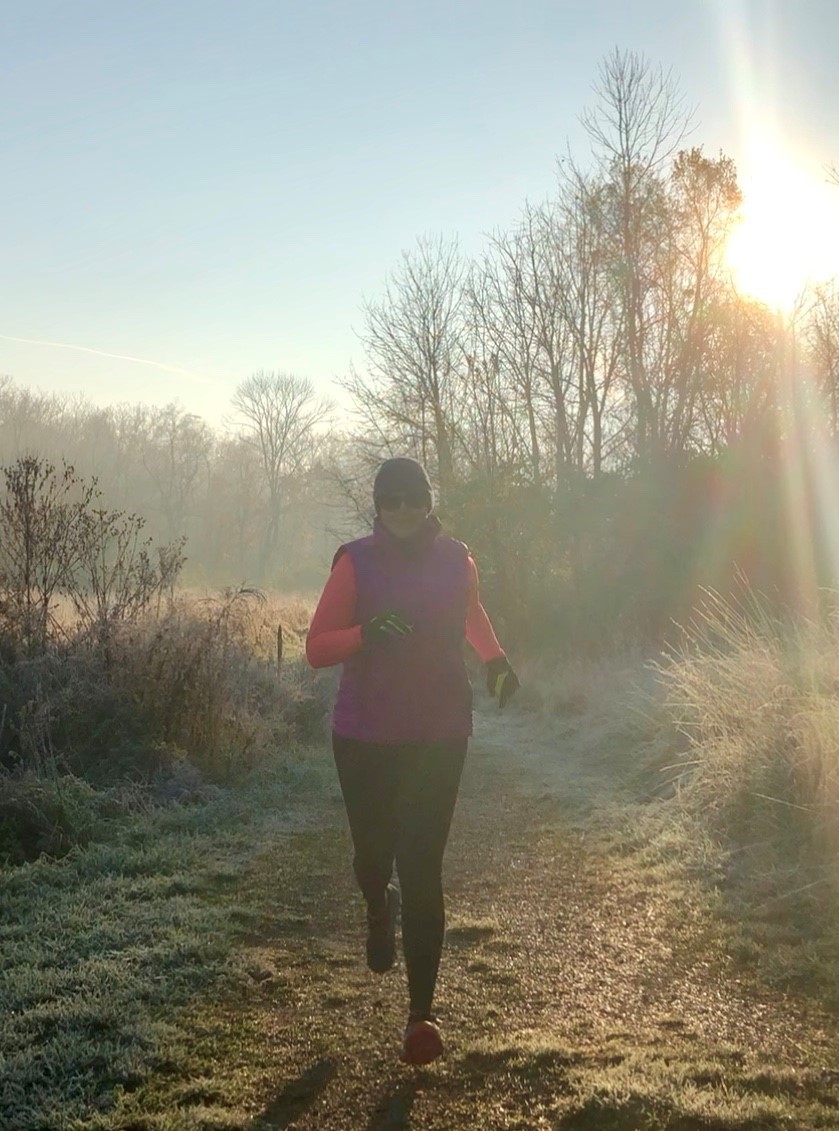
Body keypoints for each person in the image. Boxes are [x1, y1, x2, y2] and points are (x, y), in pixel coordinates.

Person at [306, 457, 519, 1066]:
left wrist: (495, 659)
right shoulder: (355, 561)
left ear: (430, 499)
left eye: (414, 497)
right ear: (378, 506)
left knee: (422, 863)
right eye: (392, 499)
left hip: (439, 733)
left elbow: (469, 611)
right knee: (375, 858)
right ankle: (378, 902)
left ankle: (420, 1018)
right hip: (364, 736)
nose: (403, 509)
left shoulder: (458, 558)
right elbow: (316, 649)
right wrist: (366, 632)